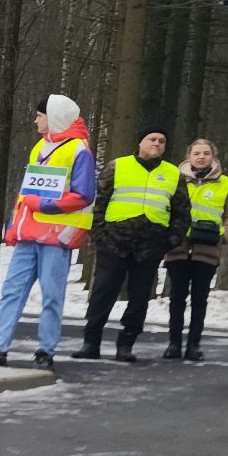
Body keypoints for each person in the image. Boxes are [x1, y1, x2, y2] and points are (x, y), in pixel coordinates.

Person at [0, 95, 96, 371]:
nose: (35, 119)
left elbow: (84, 194)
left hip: (57, 237)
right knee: (12, 291)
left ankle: (46, 350)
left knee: (52, 295)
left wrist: (44, 205)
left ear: (54, 116)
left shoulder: (79, 150)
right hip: (29, 234)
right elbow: (26, 192)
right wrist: (14, 225)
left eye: (39, 114)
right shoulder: (39, 147)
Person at [70, 124, 189, 362]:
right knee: (103, 292)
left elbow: (182, 212)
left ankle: (126, 344)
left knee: (139, 297)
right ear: (140, 142)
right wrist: (99, 235)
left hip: (150, 246)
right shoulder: (118, 166)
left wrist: (169, 242)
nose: (156, 143)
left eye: (161, 141)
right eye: (152, 139)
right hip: (114, 241)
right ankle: (90, 342)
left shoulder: (174, 174)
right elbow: (99, 201)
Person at [161, 138, 228, 361]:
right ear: (189, 157)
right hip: (179, 246)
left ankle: (194, 345)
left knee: (200, 298)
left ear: (213, 157)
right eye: (197, 153)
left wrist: (224, 234)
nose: (201, 157)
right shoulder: (174, 180)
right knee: (177, 297)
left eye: (206, 153)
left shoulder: (224, 183)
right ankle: (174, 344)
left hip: (207, 248)